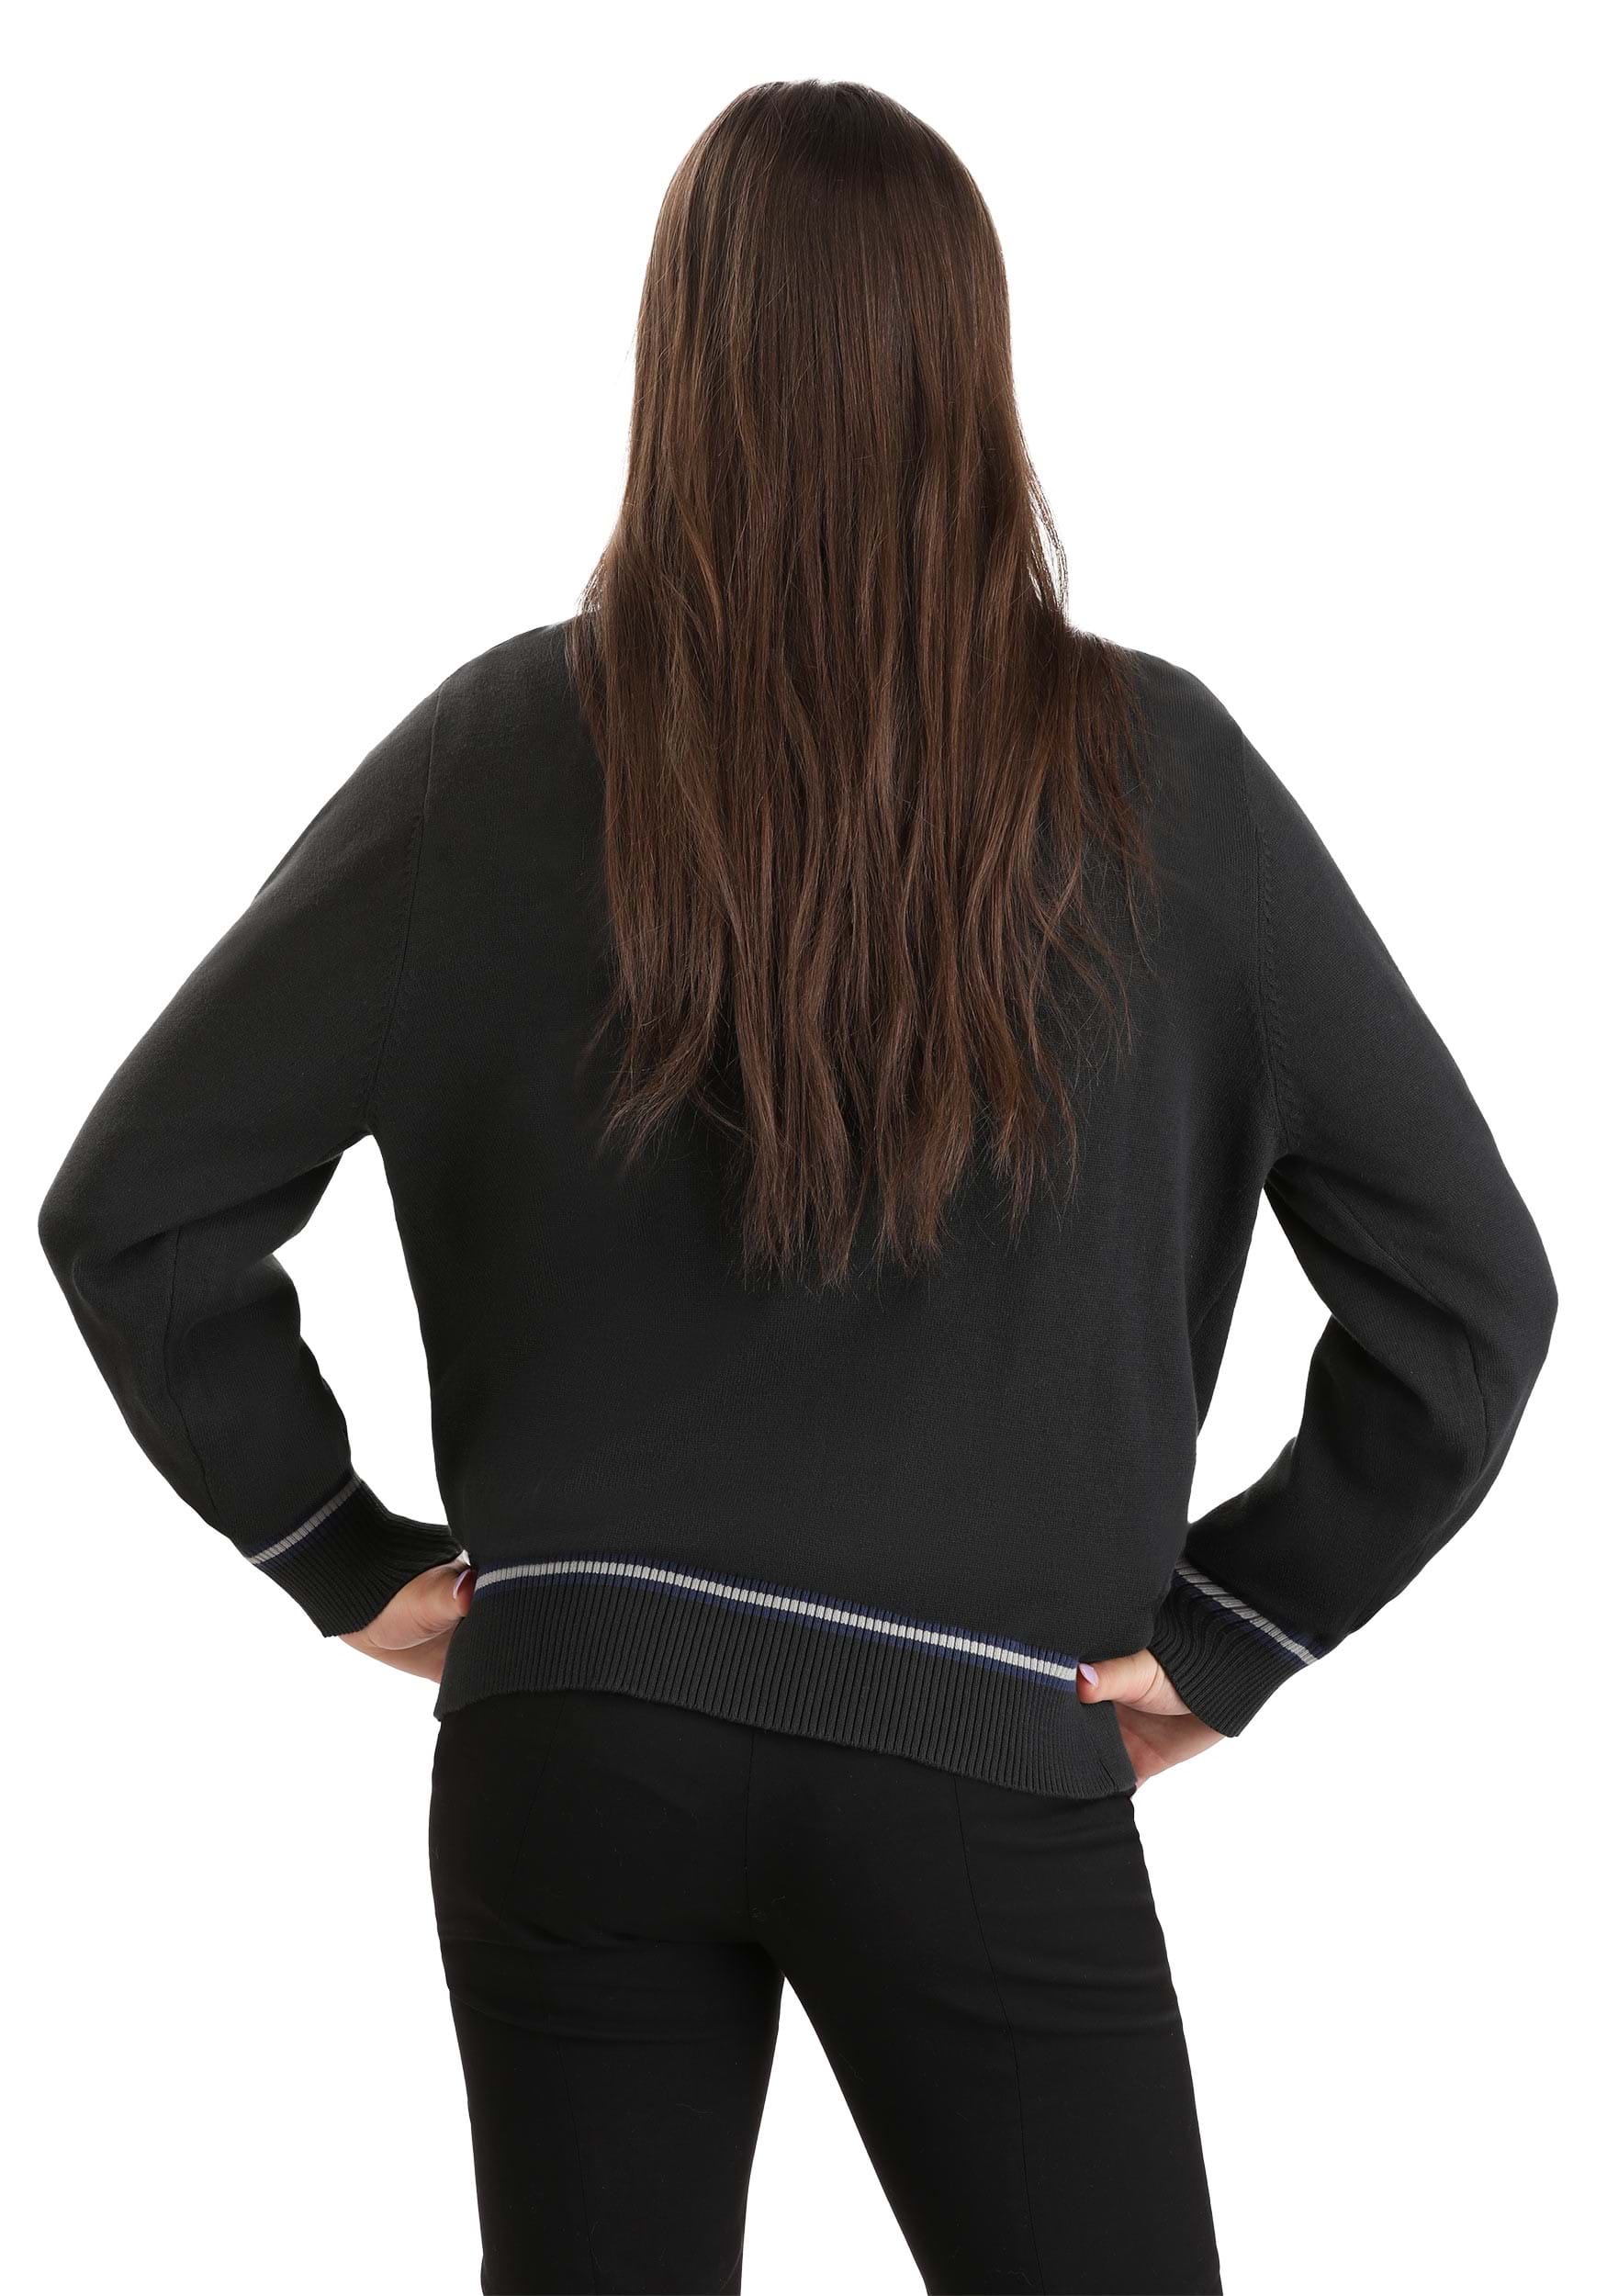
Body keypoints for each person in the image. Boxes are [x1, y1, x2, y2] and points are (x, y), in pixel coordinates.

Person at [36, 78, 1556, 2296]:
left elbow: (140, 1203)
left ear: (679, 363)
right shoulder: (1164, 785)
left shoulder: (501, 751)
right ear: (971, 370)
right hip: (981, 1740)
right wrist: (1236, 1626)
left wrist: (337, 1549)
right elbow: (1466, 1295)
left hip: (577, 1738)